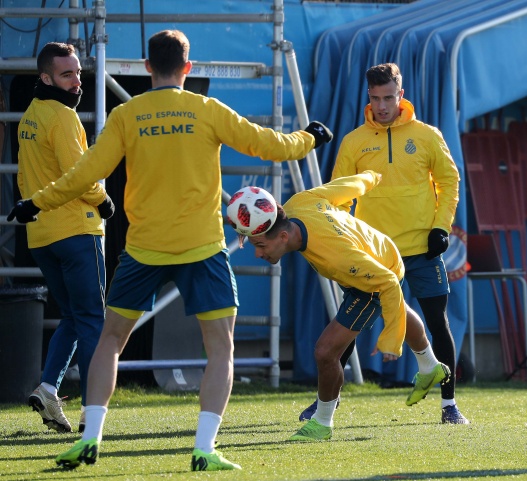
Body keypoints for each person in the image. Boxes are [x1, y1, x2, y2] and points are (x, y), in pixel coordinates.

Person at [7, 29, 332, 471]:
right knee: (220, 349)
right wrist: (309, 138)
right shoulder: (206, 109)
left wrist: (34, 203)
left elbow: (84, 174)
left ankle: (91, 438)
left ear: (146, 67)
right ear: (188, 68)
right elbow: (267, 144)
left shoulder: (128, 114)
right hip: (202, 247)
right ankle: (204, 448)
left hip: (143, 249)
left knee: (110, 341)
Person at [235, 171, 450, 442]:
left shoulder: (336, 254)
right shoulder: (298, 204)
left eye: (260, 245)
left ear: (283, 237)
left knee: (326, 352)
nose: (258, 253)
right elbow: (345, 187)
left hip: (375, 275)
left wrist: (390, 341)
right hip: (380, 251)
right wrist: (371, 176)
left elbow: (387, 284)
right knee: (393, 311)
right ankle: (431, 366)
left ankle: (322, 422)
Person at [316, 62, 466, 425]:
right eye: (374, 98)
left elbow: (449, 182)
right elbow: (337, 198)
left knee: (437, 323)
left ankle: (450, 406)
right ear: (368, 97)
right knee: (348, 327)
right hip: (374, 254)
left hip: (422, 249)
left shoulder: (428, 135)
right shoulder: (354, 141)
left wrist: (440, 228)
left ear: (401, 94)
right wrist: (344, 241)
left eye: (388, 97)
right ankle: (326, 404)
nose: (382, 105)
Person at [16, 42, 115, 434]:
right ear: (45, 78)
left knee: (74, 316)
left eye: (77, 72)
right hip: (77, 229)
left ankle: (47, 388)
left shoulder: (30, 115)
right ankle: (94, 412)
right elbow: (78, 174)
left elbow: (30, 178)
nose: (76, 81)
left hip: (41, 236)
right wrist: (103, 199)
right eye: (66, 74)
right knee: (93, 321)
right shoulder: (61, 116)